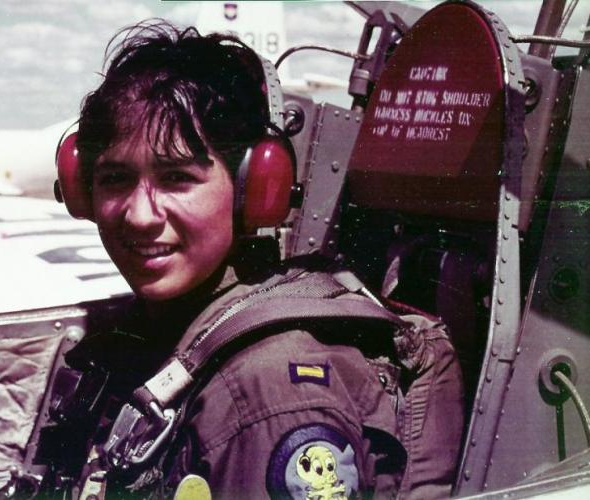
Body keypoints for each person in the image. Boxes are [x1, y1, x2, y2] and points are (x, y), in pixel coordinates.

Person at [54, 21, 464, 500]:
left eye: (177, 178)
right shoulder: (167, 329)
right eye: (115, 179)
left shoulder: (268, 394)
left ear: (256, 190)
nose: (141, 216)